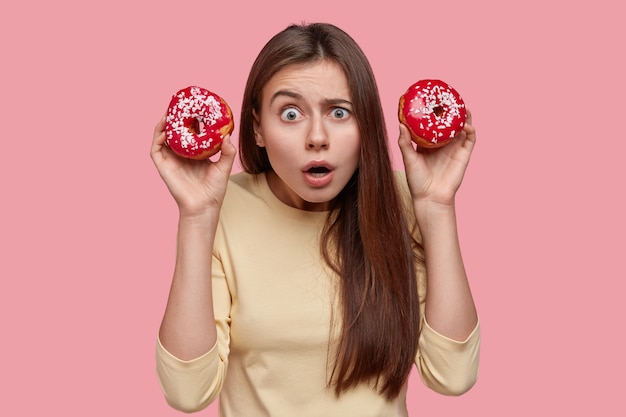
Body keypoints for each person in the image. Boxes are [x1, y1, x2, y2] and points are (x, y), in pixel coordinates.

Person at [151, 22, 480, 417]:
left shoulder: (403, 201)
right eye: (290, 113)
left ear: (367, 125)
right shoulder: (222, 208)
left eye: (339, 112)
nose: (317, 137)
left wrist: (437, 207)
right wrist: (197, 217)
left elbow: (453, 375)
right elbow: (188, 393)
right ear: (257, 128)